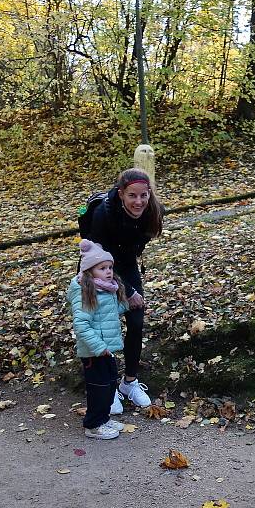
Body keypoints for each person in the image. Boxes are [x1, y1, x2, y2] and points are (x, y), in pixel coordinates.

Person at [88, 168, 164, 412]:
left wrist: (131, 290)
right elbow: (100, 259)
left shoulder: (153, 210)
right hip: (97, 267)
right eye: (132, 195)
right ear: (121, 194)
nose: (139, 201)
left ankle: (129, 383)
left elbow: (140, 242)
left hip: (126, 263)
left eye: (144, 195)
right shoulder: (103, 214)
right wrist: (128, 290)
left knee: (136, 320)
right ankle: (106, 387)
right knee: (103, 325)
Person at [67, 239, 129, 439]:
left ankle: (104, 418)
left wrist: (126, 305)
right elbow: (81, 325)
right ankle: (93, 425)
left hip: (106, 349)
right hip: (94, 352)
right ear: (89, 271)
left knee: (110, 384)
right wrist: (99, 346)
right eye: (102, 268)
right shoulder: (86, 292)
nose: (108, 271)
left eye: (110, 267)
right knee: (98, 389)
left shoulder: (106, 288)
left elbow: (108, 315)